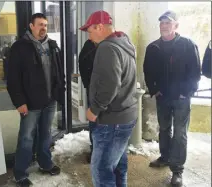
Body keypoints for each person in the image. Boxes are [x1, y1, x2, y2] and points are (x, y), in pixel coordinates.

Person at [79, 10, 138, 187]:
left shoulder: (107, 47)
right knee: (118, 165)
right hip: (125, 114)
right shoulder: (124, 43)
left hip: (112, 120)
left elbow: (110, 85)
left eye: (90, 32)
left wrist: (94, 109)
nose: (89, 37)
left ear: (100, 27)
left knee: (101, 170)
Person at [143, 10, 201, 187]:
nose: (164, 26)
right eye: (162, 23)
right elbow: (148, 71)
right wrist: (155, 89)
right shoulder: (153, 47)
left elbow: (195, 72)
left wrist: (187, 92)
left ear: (176, 25)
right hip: (163, 97)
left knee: (180, 132)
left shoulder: (188, 45)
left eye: (168, 23)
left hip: (181, 97)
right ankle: (165, 157)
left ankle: (177, 170)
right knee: (164, 128)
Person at [7, 13, 65, 187]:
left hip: (49, 101)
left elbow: (59, 72)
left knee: (46, 134)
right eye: (40, 25)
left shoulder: (53, 46)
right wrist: (19, 102)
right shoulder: (19, 47)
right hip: (30, 103)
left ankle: (45, 163)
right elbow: (12, 78)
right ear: (31, 26)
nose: (43, 28)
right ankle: (20, 173)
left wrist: (59, 93)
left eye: (45, 25)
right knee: (26, 138)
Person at [78, 39, 97, 163]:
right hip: (93, 90)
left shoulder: (112, 43)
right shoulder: (89, 45)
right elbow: (82, 64)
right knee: (94, 122)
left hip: (110, 92)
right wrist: (88, 85)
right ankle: (95, 150)